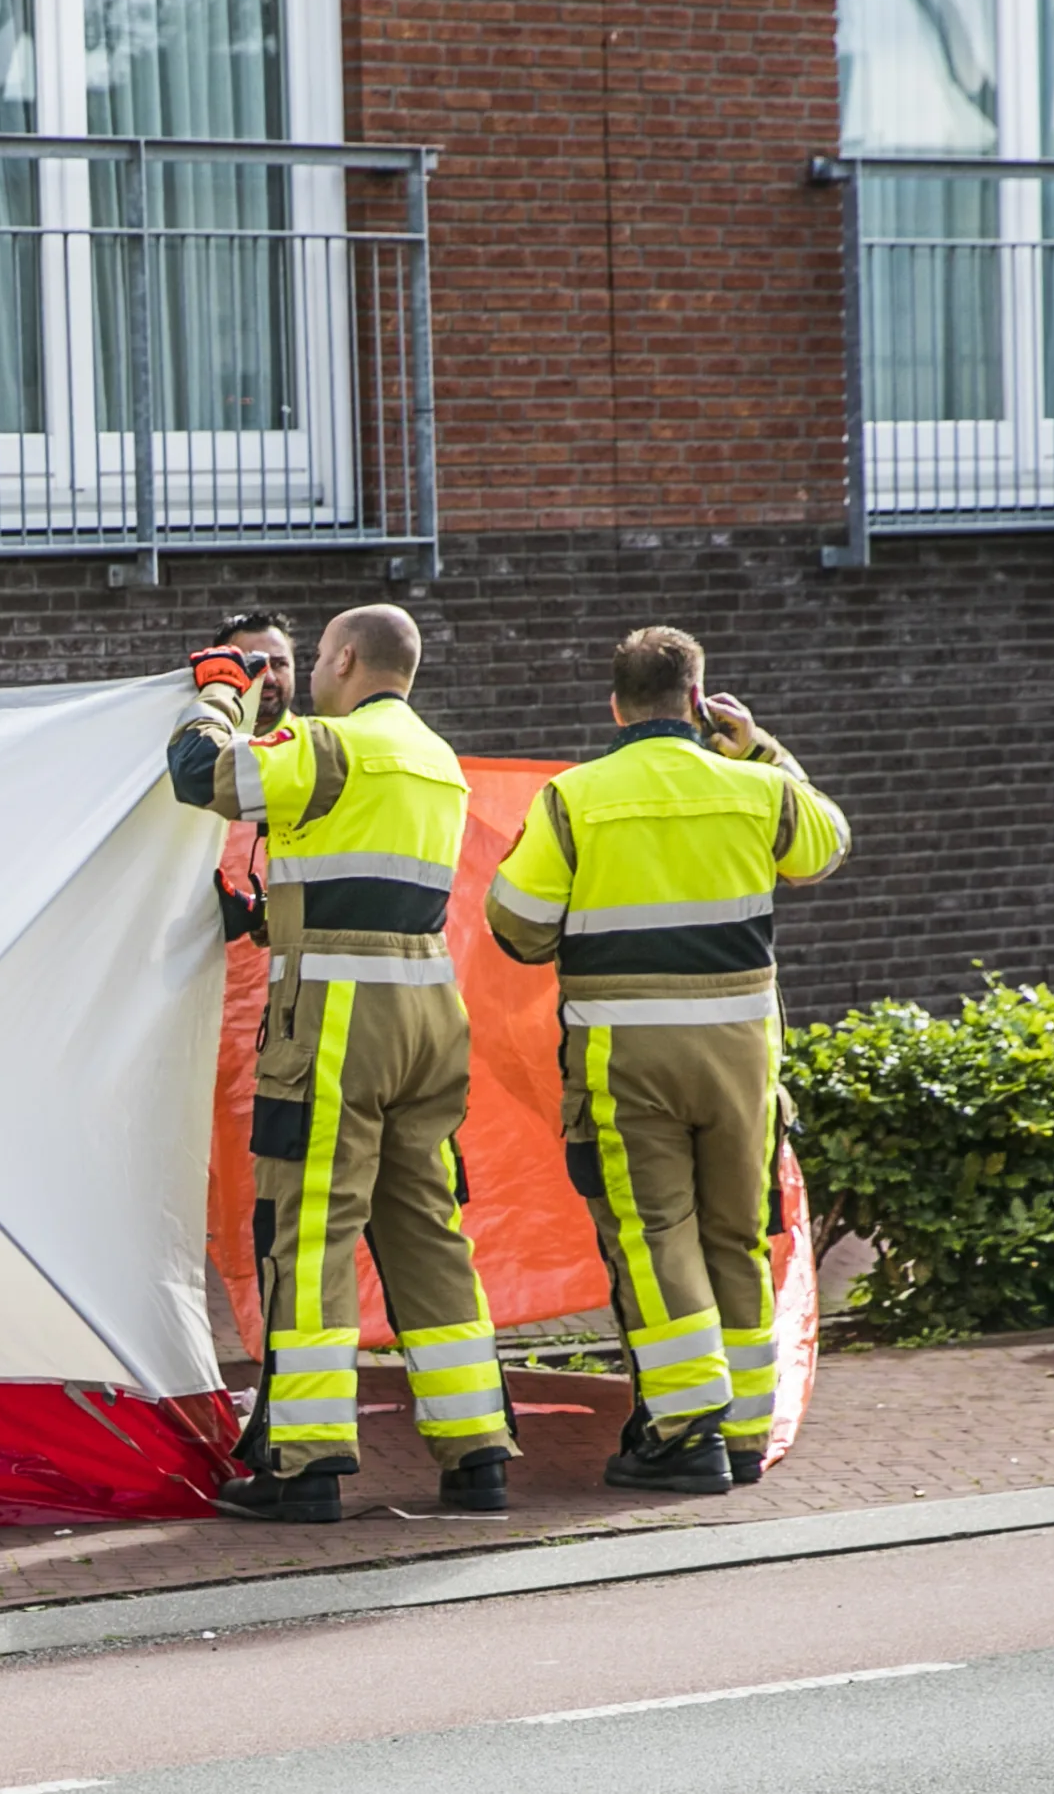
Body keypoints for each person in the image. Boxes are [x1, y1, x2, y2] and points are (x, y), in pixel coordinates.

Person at [169, 605, 516, 1522]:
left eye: (319, 656)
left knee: (308, 1234)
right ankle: (478, 1453)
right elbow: (360, 879)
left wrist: (217, 690)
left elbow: (200, 776)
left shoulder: (331, 747)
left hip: (335, 1019)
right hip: (428, 1013)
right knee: (428, 1234)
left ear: (350, 658)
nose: (314, 672)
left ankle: (305, 1463)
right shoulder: (439, 762)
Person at [484, 629, 846, 1495]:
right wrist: (759, 744)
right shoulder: (759, 787)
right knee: (734, 1233)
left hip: (627, 1054)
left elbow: (516, 924)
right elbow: (828, 845)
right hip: (741, 1055)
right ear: (698, 699)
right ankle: (747, 1431)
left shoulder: (574, 799)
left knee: (654, 1234)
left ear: (615, 706)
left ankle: (685, 1434)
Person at [205, 611, 299, 947]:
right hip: (195, 973)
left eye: (280, 663)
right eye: (254, 663)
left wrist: (263, 916)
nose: (268, 676)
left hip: (285, 979)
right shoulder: (190, 752)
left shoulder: (320, 753)